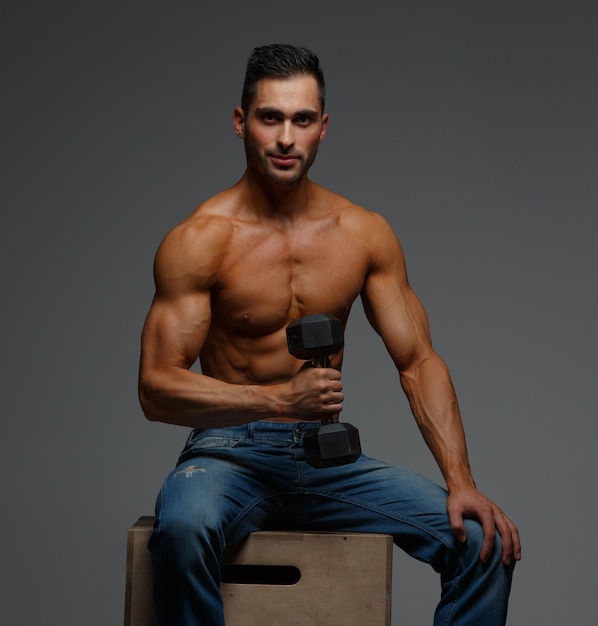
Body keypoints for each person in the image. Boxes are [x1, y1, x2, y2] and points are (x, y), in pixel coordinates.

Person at [138, 43, 521, 626]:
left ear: (323, 127)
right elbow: (155, 389)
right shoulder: (201, 239)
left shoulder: (362, 234)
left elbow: (418, 361)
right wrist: (274, 400)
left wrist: (460, 480)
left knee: (480, 541)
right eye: (270, 118)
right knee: (184, 528)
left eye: (302, 120)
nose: (286, 138)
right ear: (242, 122)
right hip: (227, 457)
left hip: (327, 459)